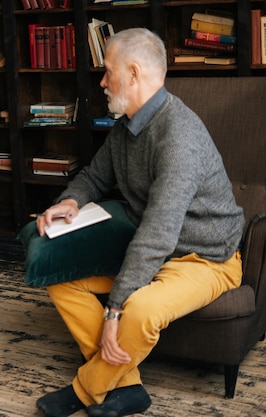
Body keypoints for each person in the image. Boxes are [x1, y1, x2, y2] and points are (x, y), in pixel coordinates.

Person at [33, 28, 244, 417]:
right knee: (59, 275)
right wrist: (69, 201)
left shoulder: (179, 135)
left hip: (204, 259)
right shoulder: (126, 127)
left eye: (107, 71)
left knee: (140, 310)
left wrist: (114, 311)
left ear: (132, 73)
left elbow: (159, 232)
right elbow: (96, 177)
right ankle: (128, 387)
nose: (102, 81)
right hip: (152, 252)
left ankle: (87, 389)